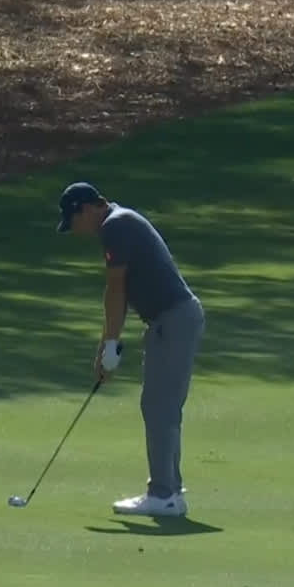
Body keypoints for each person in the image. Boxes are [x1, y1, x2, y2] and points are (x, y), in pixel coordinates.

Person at [57, 181, 205, 518]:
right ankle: (171, 491)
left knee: (159, 406)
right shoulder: (118, 222)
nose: (76, 230)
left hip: (174, 319)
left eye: (74, 220)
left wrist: (109, 345)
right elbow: (118, 295)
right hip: (170, 321)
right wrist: (108, 345)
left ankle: (163, 494)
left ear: (89, 208)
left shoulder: (115, 226)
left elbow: (115, 289)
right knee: (162, 407)